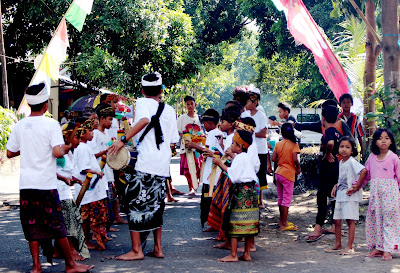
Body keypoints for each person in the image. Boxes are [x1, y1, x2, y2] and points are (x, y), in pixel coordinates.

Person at [6, 82, 93, 273]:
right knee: (57, 224)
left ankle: (37, 266)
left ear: (29, 104)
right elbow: (57, 152)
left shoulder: (20, 125)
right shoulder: (51, 124)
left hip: (27, 185)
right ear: (46, 105)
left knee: (32, 225)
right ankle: (70, 264)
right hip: (46, 184)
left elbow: (10, 153)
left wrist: (28, 149)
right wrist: (66, 147)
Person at [108, 72, 179, 260]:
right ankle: (157, 248)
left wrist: (123, 140)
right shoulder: (170, 110)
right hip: (162, 165)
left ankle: (136, 250)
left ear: (142, 90)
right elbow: (172, 140)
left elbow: (145, 120)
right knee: (156, 205)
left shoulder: (141, 103)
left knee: (134, 204)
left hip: (145, 163)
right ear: (161, 90)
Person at [212, 130, 259, 262]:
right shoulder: (245, 157)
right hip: (251, 191)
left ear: (239, 146)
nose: (231, 145)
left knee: (235, 221)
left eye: (233, 143)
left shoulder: (239, 158)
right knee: (249, 222)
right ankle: (247, 253)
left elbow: (233, 175)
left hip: (241, 192)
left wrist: (220, 163)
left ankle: (233, 254)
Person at [325, 136, 367, 255]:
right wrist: (336, 186)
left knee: (350, 220)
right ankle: (338, 244)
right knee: (337, 220)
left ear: (352, 150)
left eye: (347, 147)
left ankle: (350, 246)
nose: (344, 149)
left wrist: (357, 187)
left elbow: (364, 171)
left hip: (350, 197)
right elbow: (344, 178)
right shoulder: (341, 162)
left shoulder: (352, 162)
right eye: (342, 146)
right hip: (341, 196)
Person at [54, 122, 90, 261]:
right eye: (76, 137)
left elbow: (66, 172)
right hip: (60, 192)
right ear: (68, 136)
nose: (79, 141)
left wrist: (73, 179)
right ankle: (72, 251)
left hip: (65, 190)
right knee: (69, 224)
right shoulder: (60, 152)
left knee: (65, 222)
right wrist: (65, 179)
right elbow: (53, 171)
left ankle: (58, 251)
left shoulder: (69, 153)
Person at [306, 105, 342, 243]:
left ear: (323, 118)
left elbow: (330, 144)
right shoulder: (338, 132)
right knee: (333, 197)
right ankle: (334, 225)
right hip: (335, 168)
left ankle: (318, 227)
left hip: (327, 169)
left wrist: (327, 154)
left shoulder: (328, 132)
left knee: (322, 197)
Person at [364, 128, 400, 261]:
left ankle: (388, 249)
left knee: (389, 220)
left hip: (390, 196)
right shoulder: (372, 157)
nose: (383, 141)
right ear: (375, 141)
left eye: (386, 138)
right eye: (380, 138)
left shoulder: (394, 158)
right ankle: (379, 247)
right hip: (376, 196)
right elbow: (366, 175)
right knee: (376, 220)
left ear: (391, 141)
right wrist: (356, 186)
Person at [73, 118, 109, 251]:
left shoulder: (84, 146)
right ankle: (85, 241)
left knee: (88, 218)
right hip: (87, 189)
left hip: (91, 189)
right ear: (82, 133)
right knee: (85, 218)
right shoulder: (82, 148)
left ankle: (86, 240)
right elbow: (83, 168)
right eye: (89, 131)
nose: (92, 133)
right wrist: (96, 172)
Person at [91, 103, 127, 227]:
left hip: (108, 171)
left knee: (111, 198)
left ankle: (107, 226)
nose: (112, 122)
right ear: (102, 119)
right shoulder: (95, 134)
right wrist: (107, 151)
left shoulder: (106, 134)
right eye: (110, 119)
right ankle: (101, 229)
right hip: (100, 172)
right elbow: (93, 154)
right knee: (102, 201)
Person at [185, 108, 222, 230]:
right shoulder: (217, 133)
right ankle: (214, 224)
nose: (203, 125)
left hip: (212, 173)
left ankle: (214, 224)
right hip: (214, 172)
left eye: (204, 123)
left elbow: (209, 151)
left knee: (209, 200)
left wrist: (194, 145)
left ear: (210, 123)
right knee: (211, 199)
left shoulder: (213, 133)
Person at [242, 86, 271, 208]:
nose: (246, 103)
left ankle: (261, 200)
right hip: (247, 148)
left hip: (260, 149)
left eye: (248, 101)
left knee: (260, 174)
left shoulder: (261, 115)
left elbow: (264, 134)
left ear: (255, 102)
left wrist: (250, 131)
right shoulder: (244, 115)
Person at [272, 123, 301, 231]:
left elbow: (274, 158)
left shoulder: (278, 144)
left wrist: (282, 161)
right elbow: (294, 159)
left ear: (281, 132)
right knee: (286, 199)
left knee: (280, 198)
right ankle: (283, 223)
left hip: (278, 172)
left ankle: (282, 221)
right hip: (288, 174)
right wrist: (298, 168)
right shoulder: (294, 144)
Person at [177, 95, 203, 195]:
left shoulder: (199, 119)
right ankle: (190, 188)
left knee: (197, 168)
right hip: (186, 148)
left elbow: (202, 132)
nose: (190, 106)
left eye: (191, 103)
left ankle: (195, 186)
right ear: (185, 106)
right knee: (188, 169)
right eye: (187, 104)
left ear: (195, 105)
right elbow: (178, 132)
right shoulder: (182, 118)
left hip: (197, 148)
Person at [338, 94, 365, 160]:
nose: (346, 104)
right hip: (340, 147)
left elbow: (359, 135)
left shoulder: (356, 118)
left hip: (353, 147)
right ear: (340, 104)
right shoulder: (338, 118)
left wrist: (362, 149)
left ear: (352, 104)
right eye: (344, 102)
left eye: (348, 102)